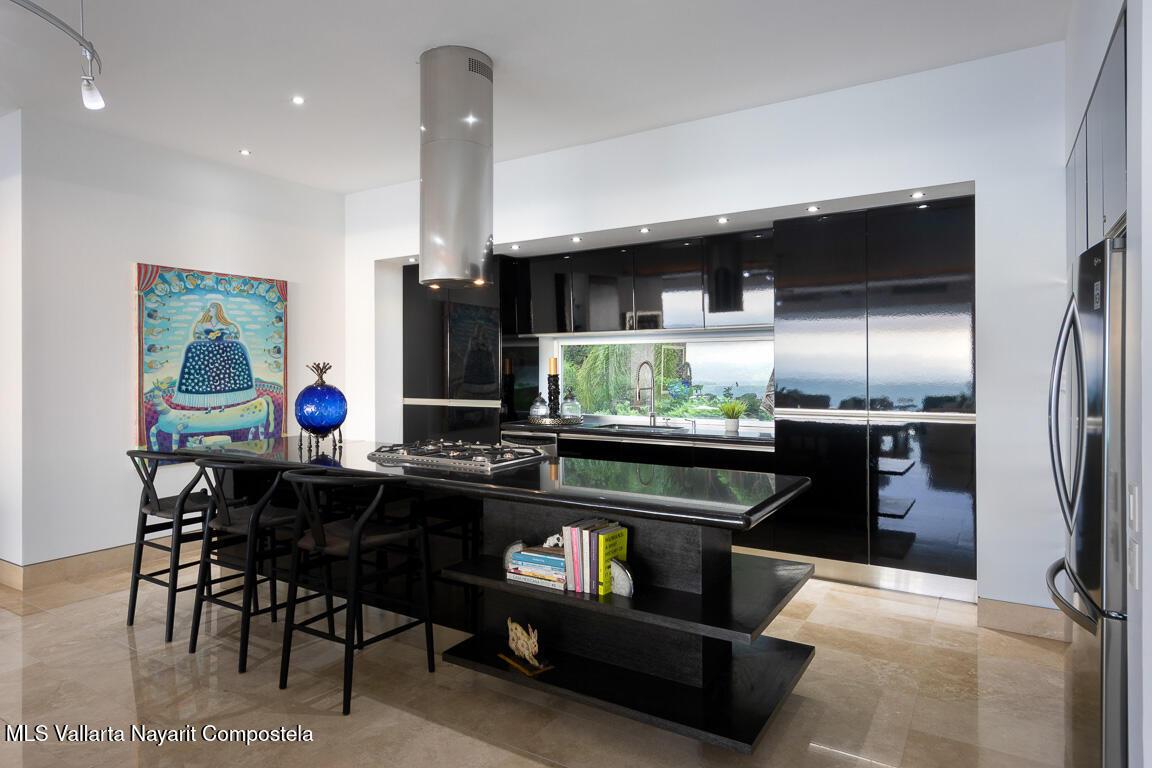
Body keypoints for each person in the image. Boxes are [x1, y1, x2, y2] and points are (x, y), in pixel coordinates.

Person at [171, 302, 257, 410]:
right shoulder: (202, 324)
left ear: (218, 310)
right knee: (207, 379)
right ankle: (208, 406)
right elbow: (197, 335)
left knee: (224, 379)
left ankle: (222, 405)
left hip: (223, 355)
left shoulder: (227, 325)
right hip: (207, 355)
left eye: (212, 308)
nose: (209, 310)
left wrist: (228, 337)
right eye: (210, 308)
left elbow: (235, 334)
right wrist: (205, 337)